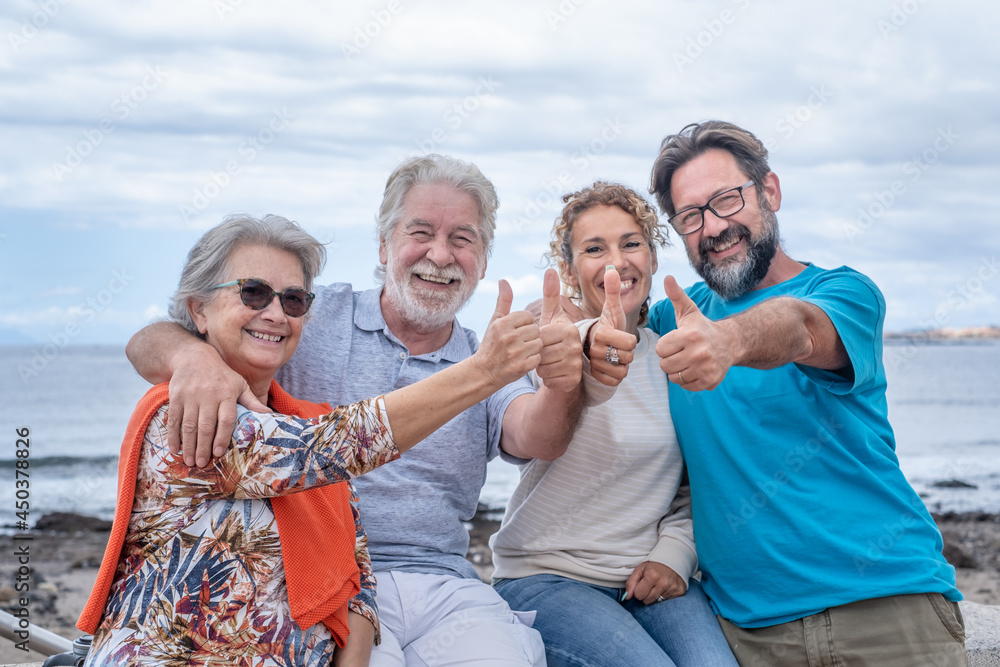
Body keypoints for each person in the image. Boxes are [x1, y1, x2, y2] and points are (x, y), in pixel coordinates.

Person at [124, 155, 588, 666]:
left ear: (482, 256)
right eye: (421, 232)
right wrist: (189, 353)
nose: (276, 313)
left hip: (424, 584)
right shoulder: (304, 327)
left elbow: (537, 436)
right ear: (384, 244)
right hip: (312, 584)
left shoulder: (476, 353)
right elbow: (336, 447)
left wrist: (563, 383)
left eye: (463, 238)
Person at [634, 120, 965, 666]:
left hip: (887, 609)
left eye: (725, 200)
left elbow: (802, 329)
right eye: (690, 216)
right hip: (749, 635)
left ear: (769, 192)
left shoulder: (844, 293)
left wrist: (730, 341)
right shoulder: (672, 319)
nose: (713, 227)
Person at [490, 182, 737, 667]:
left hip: (642, 577)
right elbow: (528, 436)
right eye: (594, 249)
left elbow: (695, 480)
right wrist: (585, 350)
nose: (616, 263)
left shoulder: (674, 353)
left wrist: (675, 555)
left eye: (630, 244)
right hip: (544, 575)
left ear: (652, 256)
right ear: (568, 269)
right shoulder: (548, 344)